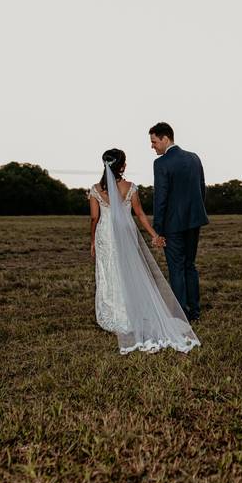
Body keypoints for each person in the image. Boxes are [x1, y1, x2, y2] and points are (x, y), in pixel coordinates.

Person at [88, 148, 200, 354]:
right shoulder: (130, 188)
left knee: (109, 271)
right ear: (121, 166)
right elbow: (139, 214)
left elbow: (95, 218)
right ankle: (132, 312)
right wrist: (153, 234)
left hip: (106, 234)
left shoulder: (95, 190)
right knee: (129, 270)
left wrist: (93, 240)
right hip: (127, 232)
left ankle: (114, 315)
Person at [149, 122, 209, 321]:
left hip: (172, 225)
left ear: (165, 139)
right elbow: (202, 188)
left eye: (154, 141)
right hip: (194, 221)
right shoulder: (194, 158)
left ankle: (180, 314)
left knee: (176, 268)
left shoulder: (161, 163)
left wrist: (158, 230)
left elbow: (161, 198)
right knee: (189, 265)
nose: (152, 146)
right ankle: (195, 311)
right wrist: (195, 213)